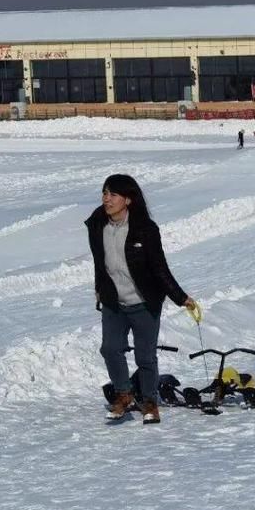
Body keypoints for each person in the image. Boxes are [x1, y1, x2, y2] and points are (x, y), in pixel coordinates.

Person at [86, 174, 197, 424]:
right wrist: (99, 287)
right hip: (114, 301)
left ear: (128, 199)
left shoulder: (145, 229)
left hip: (144, 303)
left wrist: (181, 298)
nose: (107, 199)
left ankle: (149, 401)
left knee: (145, 357)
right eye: (104, 193)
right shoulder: (97, 224)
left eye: (113, 194)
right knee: (110, 348)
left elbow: (159, 268)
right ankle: (124, 395)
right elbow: (99, 262)